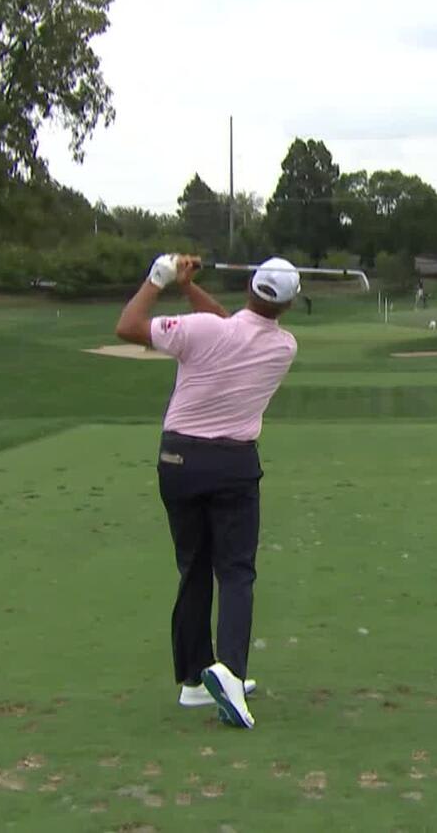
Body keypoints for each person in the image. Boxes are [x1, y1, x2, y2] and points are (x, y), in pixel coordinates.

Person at [114, 254, 301, 730]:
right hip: (234, 464)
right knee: (235, 572)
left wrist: (160, 278)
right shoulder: (284, 346)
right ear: (289, 305)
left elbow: (129, 325)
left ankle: (197, 681)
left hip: (178, 461)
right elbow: (236, 328)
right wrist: (186, 286)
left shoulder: (205, 330)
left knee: (193, 569)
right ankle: (231, 677)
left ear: (250, 288)